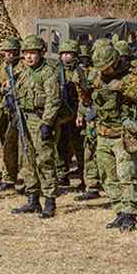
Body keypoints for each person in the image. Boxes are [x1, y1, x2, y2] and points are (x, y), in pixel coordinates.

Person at [87, 39, 137, 232]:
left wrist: (122, 86)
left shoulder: (128, 76)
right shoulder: (98, 75)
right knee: (107, 176)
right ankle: (119, 210)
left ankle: (130, 214)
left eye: (106, 68)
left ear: (115, 63)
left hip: (123, 135)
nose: (103, 71)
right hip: (103, 133)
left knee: (127, 176)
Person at [10, 35, 63, 218]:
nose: (29, 57)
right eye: (26, 53)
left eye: (33, 53)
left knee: (45, 160)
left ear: (41, 53)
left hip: (40, 119)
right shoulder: (23, 72)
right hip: (24, 118)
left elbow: (53, 100)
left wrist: (47, 123)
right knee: (26, 158)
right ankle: (33, 199)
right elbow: (18, 91)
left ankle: (49, 200)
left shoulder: (48, 72)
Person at [55, 40, 88, 193]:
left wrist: (80, 114)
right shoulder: (56, 70)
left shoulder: (81, 72)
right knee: (61, 146)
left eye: (69, 53)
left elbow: (84, 96)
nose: (66, 56)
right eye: (63, 53)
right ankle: (62, 174)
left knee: (80, 147)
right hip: (62, 115)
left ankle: (85, 178)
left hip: (76, 113)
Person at [0, 37, 24, 193]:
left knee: (24, 145)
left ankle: (25, 178)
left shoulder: (23, 66)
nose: (9, 55)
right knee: (7, 144)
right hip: (6, 111)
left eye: (12, 52)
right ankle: (8, 177)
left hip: (20, 110)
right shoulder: (2, 67)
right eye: (6, 52)